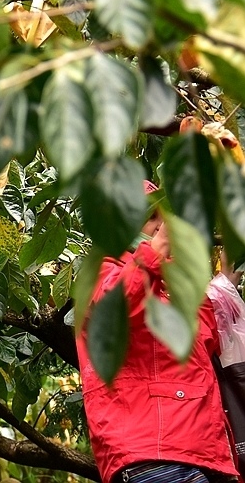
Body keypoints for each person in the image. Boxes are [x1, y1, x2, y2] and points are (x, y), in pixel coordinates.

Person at [76, 181, 240, 483]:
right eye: (151, 216)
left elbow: (205, 342)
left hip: (195, 450)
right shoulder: (102, 272)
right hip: (154, 454)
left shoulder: (164, 279)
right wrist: (155, 253)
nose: (161, 225)